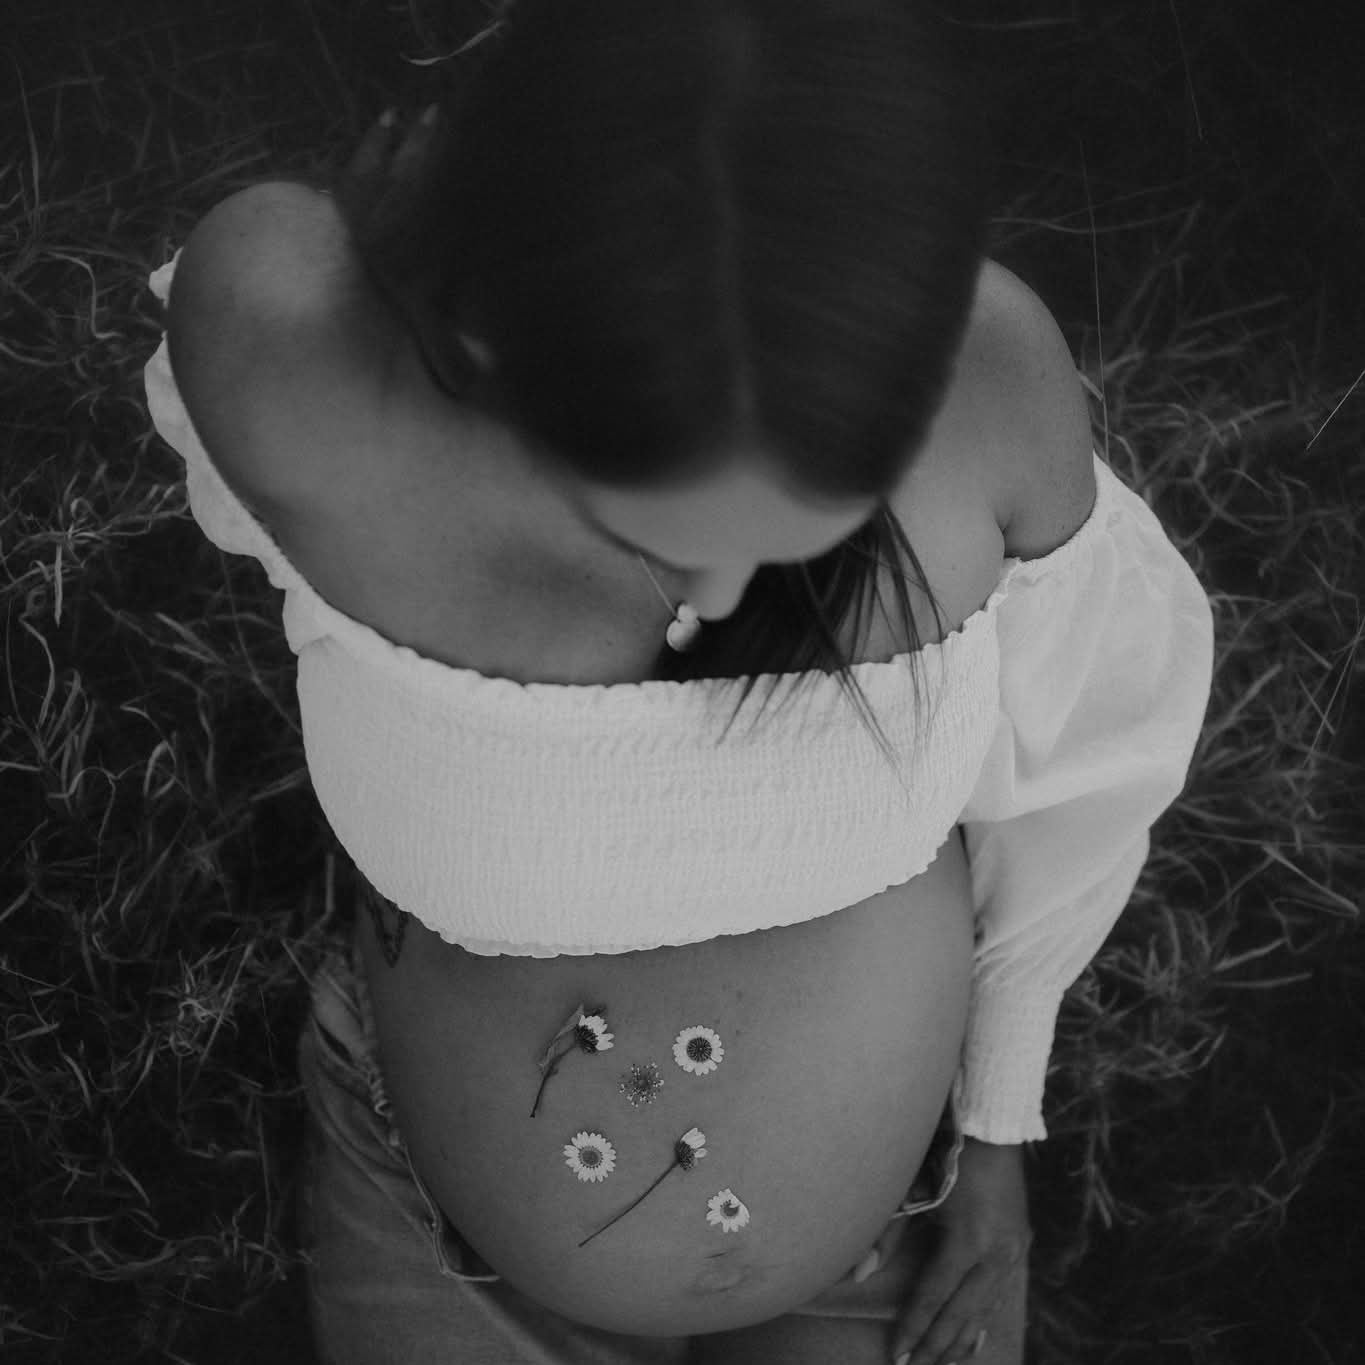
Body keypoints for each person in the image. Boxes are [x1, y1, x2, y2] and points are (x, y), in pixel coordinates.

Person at [143, 2, 1215, 1362]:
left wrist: (996, 1132)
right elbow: (303, 272)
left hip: (889, 1234)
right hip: (444, 1230)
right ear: (485, 344)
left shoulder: (984, 377)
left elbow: (1073, 783)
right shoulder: (310, 372)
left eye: (792, 540)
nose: (709, 608)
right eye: (652, 533)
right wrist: (444, 257)